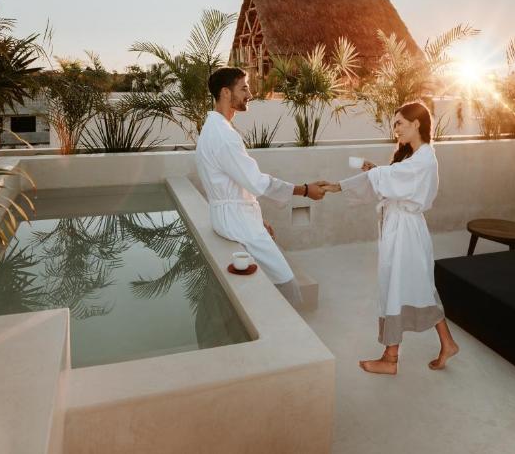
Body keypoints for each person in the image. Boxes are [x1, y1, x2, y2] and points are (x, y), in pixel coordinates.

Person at [320, 101, 459, 374]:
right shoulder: (414, 157)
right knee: (417, 287)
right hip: (402, 228)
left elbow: (392, 178)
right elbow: (393, 180)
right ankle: (446, 343)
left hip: (406, 231)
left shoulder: (424, 158)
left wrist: (339, 186)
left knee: (398, 288)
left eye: (399, 123)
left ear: (416, 123)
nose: (395, 129)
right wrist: (376, 171)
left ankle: (391, 358)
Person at [195, 67, 327, 305]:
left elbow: (236, 181)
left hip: (232, 218)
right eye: (244, 88)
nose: (250, 93)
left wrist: (257, 219)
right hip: (238, 224)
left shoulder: (212, 129)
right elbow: (256, 182)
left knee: (266, 288)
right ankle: (288, 337)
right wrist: (305, 189)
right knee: (289, 288)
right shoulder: (224, 135)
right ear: (226, 93)